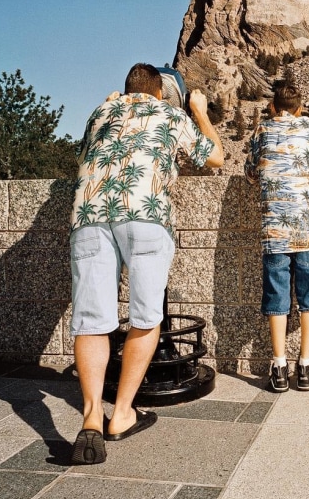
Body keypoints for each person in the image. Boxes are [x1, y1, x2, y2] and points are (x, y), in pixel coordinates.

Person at [69, 63, 224, 464]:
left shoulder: (100, 113)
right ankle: (121, 414)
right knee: (145, 316)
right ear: (159, 92)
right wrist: (200, 112)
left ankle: (90, 419)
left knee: (91, 320)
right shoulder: (171, 114)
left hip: (89, 217)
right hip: (145, 215)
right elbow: (216, 158)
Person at [245, 81, 309, 392]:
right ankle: (305, 366)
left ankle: (279, 365)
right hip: (306, 228)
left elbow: (251, 172)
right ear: (299, 107)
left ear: (273, 106)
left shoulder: (261, 131)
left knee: (277, 297)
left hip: (274, 230)